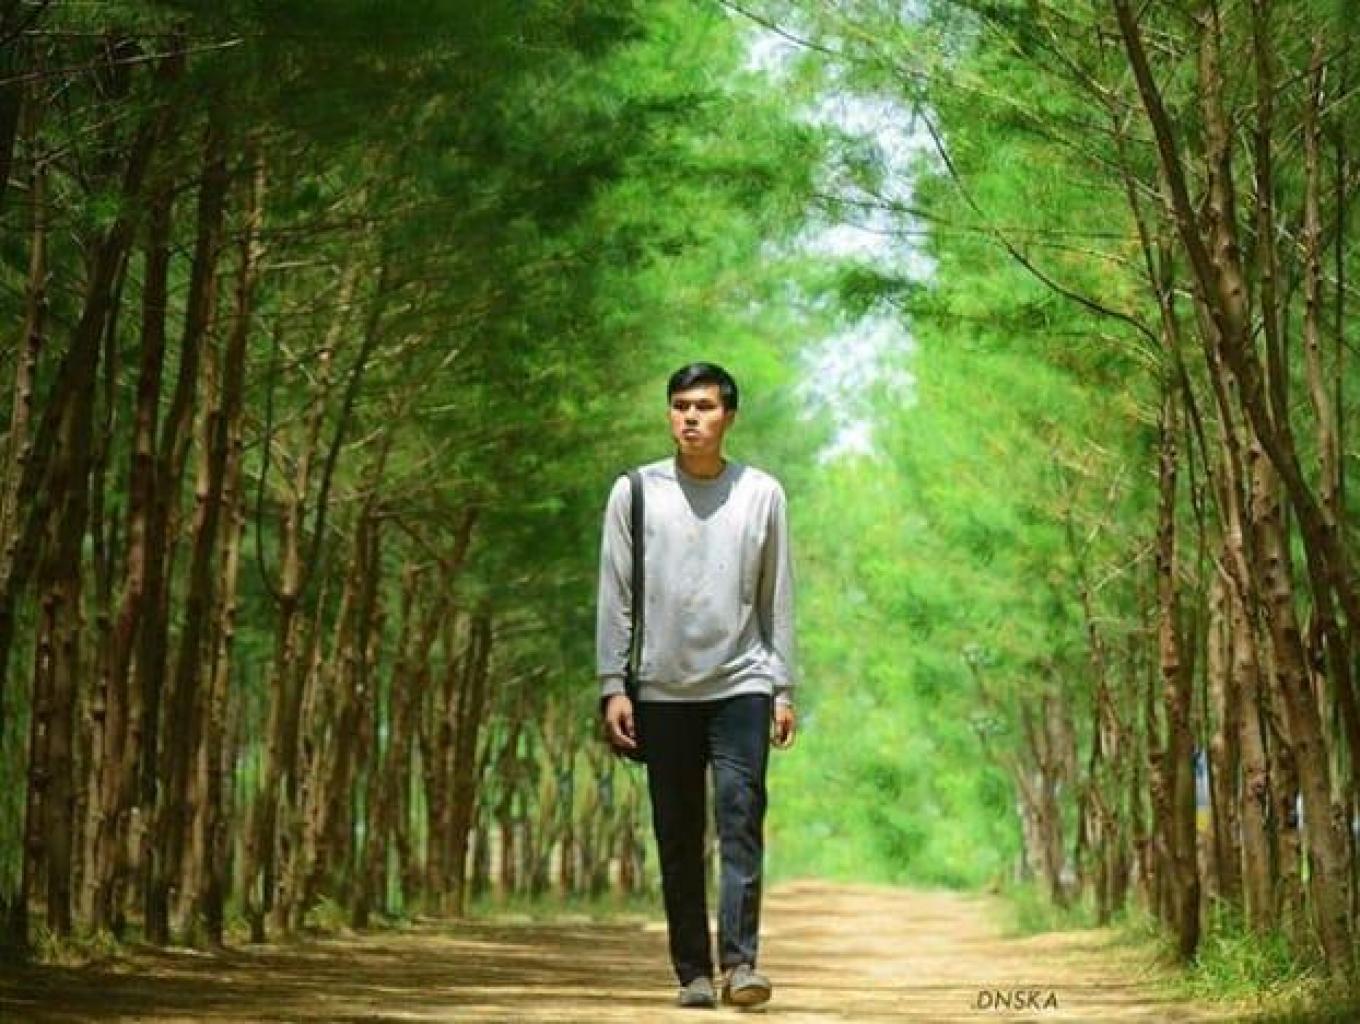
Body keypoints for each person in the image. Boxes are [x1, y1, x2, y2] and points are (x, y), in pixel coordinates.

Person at [596, 361, 797, 1009]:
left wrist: (782, 686)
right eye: (681, 405)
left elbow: (777, 595)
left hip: (743, 684)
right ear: (669, 414)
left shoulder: (761, 493)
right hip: (662, 690)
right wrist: (613, 684)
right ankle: (694, 974)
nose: (691, 417)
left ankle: (740, 965)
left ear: (728, 417)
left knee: (740, 820)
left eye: (705, 407)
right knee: (678, 835)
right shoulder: (634, 492)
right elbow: (615, 595)